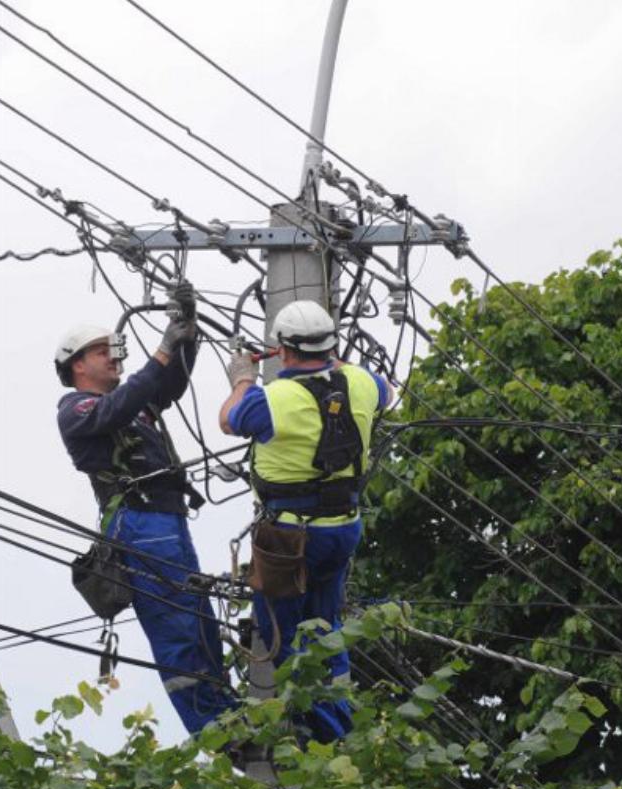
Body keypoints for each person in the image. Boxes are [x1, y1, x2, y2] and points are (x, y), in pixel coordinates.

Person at [55, 285, 235, 736]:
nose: (113, 359)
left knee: (198, 616)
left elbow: (168, 382)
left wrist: (185, 336)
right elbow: (125, 401)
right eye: (101, 353)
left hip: (166, 520)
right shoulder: (77, 408)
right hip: (137, 523)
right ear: (78, 364)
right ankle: (212, 726)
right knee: (175, 624)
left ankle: (228, 710)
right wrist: (161, 350)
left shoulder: (135, 404)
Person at [218, 300, 390, 743]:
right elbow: (389, 390)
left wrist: (241, 378)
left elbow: (228, 419)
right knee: (326, 625)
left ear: (281, 350)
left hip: (289, 539)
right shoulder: (364, 384)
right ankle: (344, 718)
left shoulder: (268, 400)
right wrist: (335, 364)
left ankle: (325, 737)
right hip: (343, 528)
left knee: (285, 638)